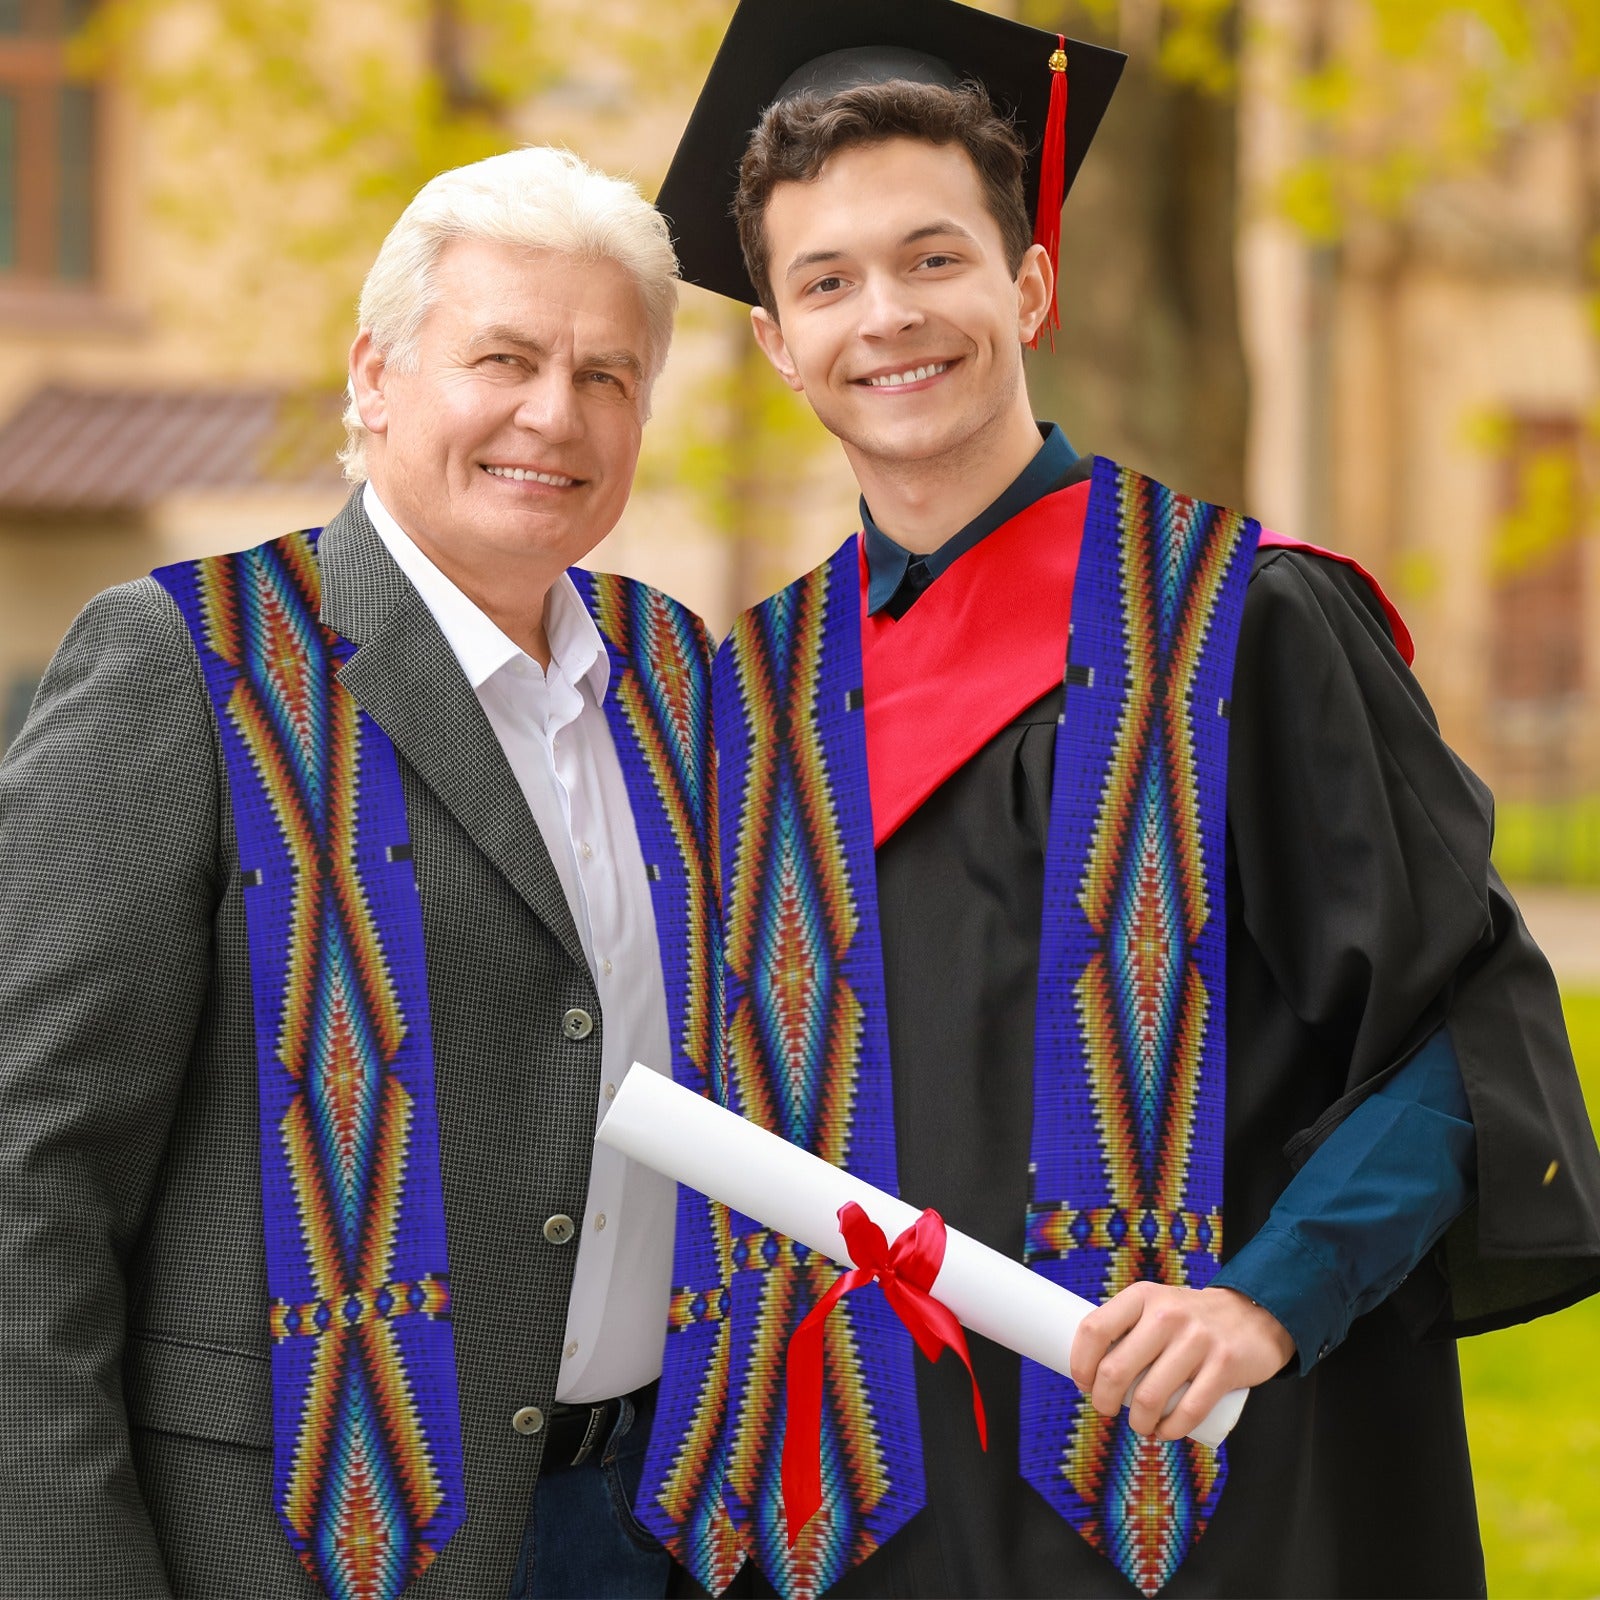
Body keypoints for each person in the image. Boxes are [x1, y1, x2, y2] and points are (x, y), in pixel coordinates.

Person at [634, 3, 1600, 1597]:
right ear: (777, 341)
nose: (888, 316)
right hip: (860, 1523)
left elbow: (1462, 1033)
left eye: (934, 258)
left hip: (1205, 1494)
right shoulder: (747, 701)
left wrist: (1270, 1299)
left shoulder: (1245, 626)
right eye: (827, 281)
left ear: (1029, 282)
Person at [0, 146, 714, 1600]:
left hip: (649, 1529)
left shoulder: (680, 680)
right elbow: (27, 1176)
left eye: (605, 375)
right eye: (503, 357)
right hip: (291, 1545)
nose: (552, 414)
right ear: (375, 377)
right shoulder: (183, 665)